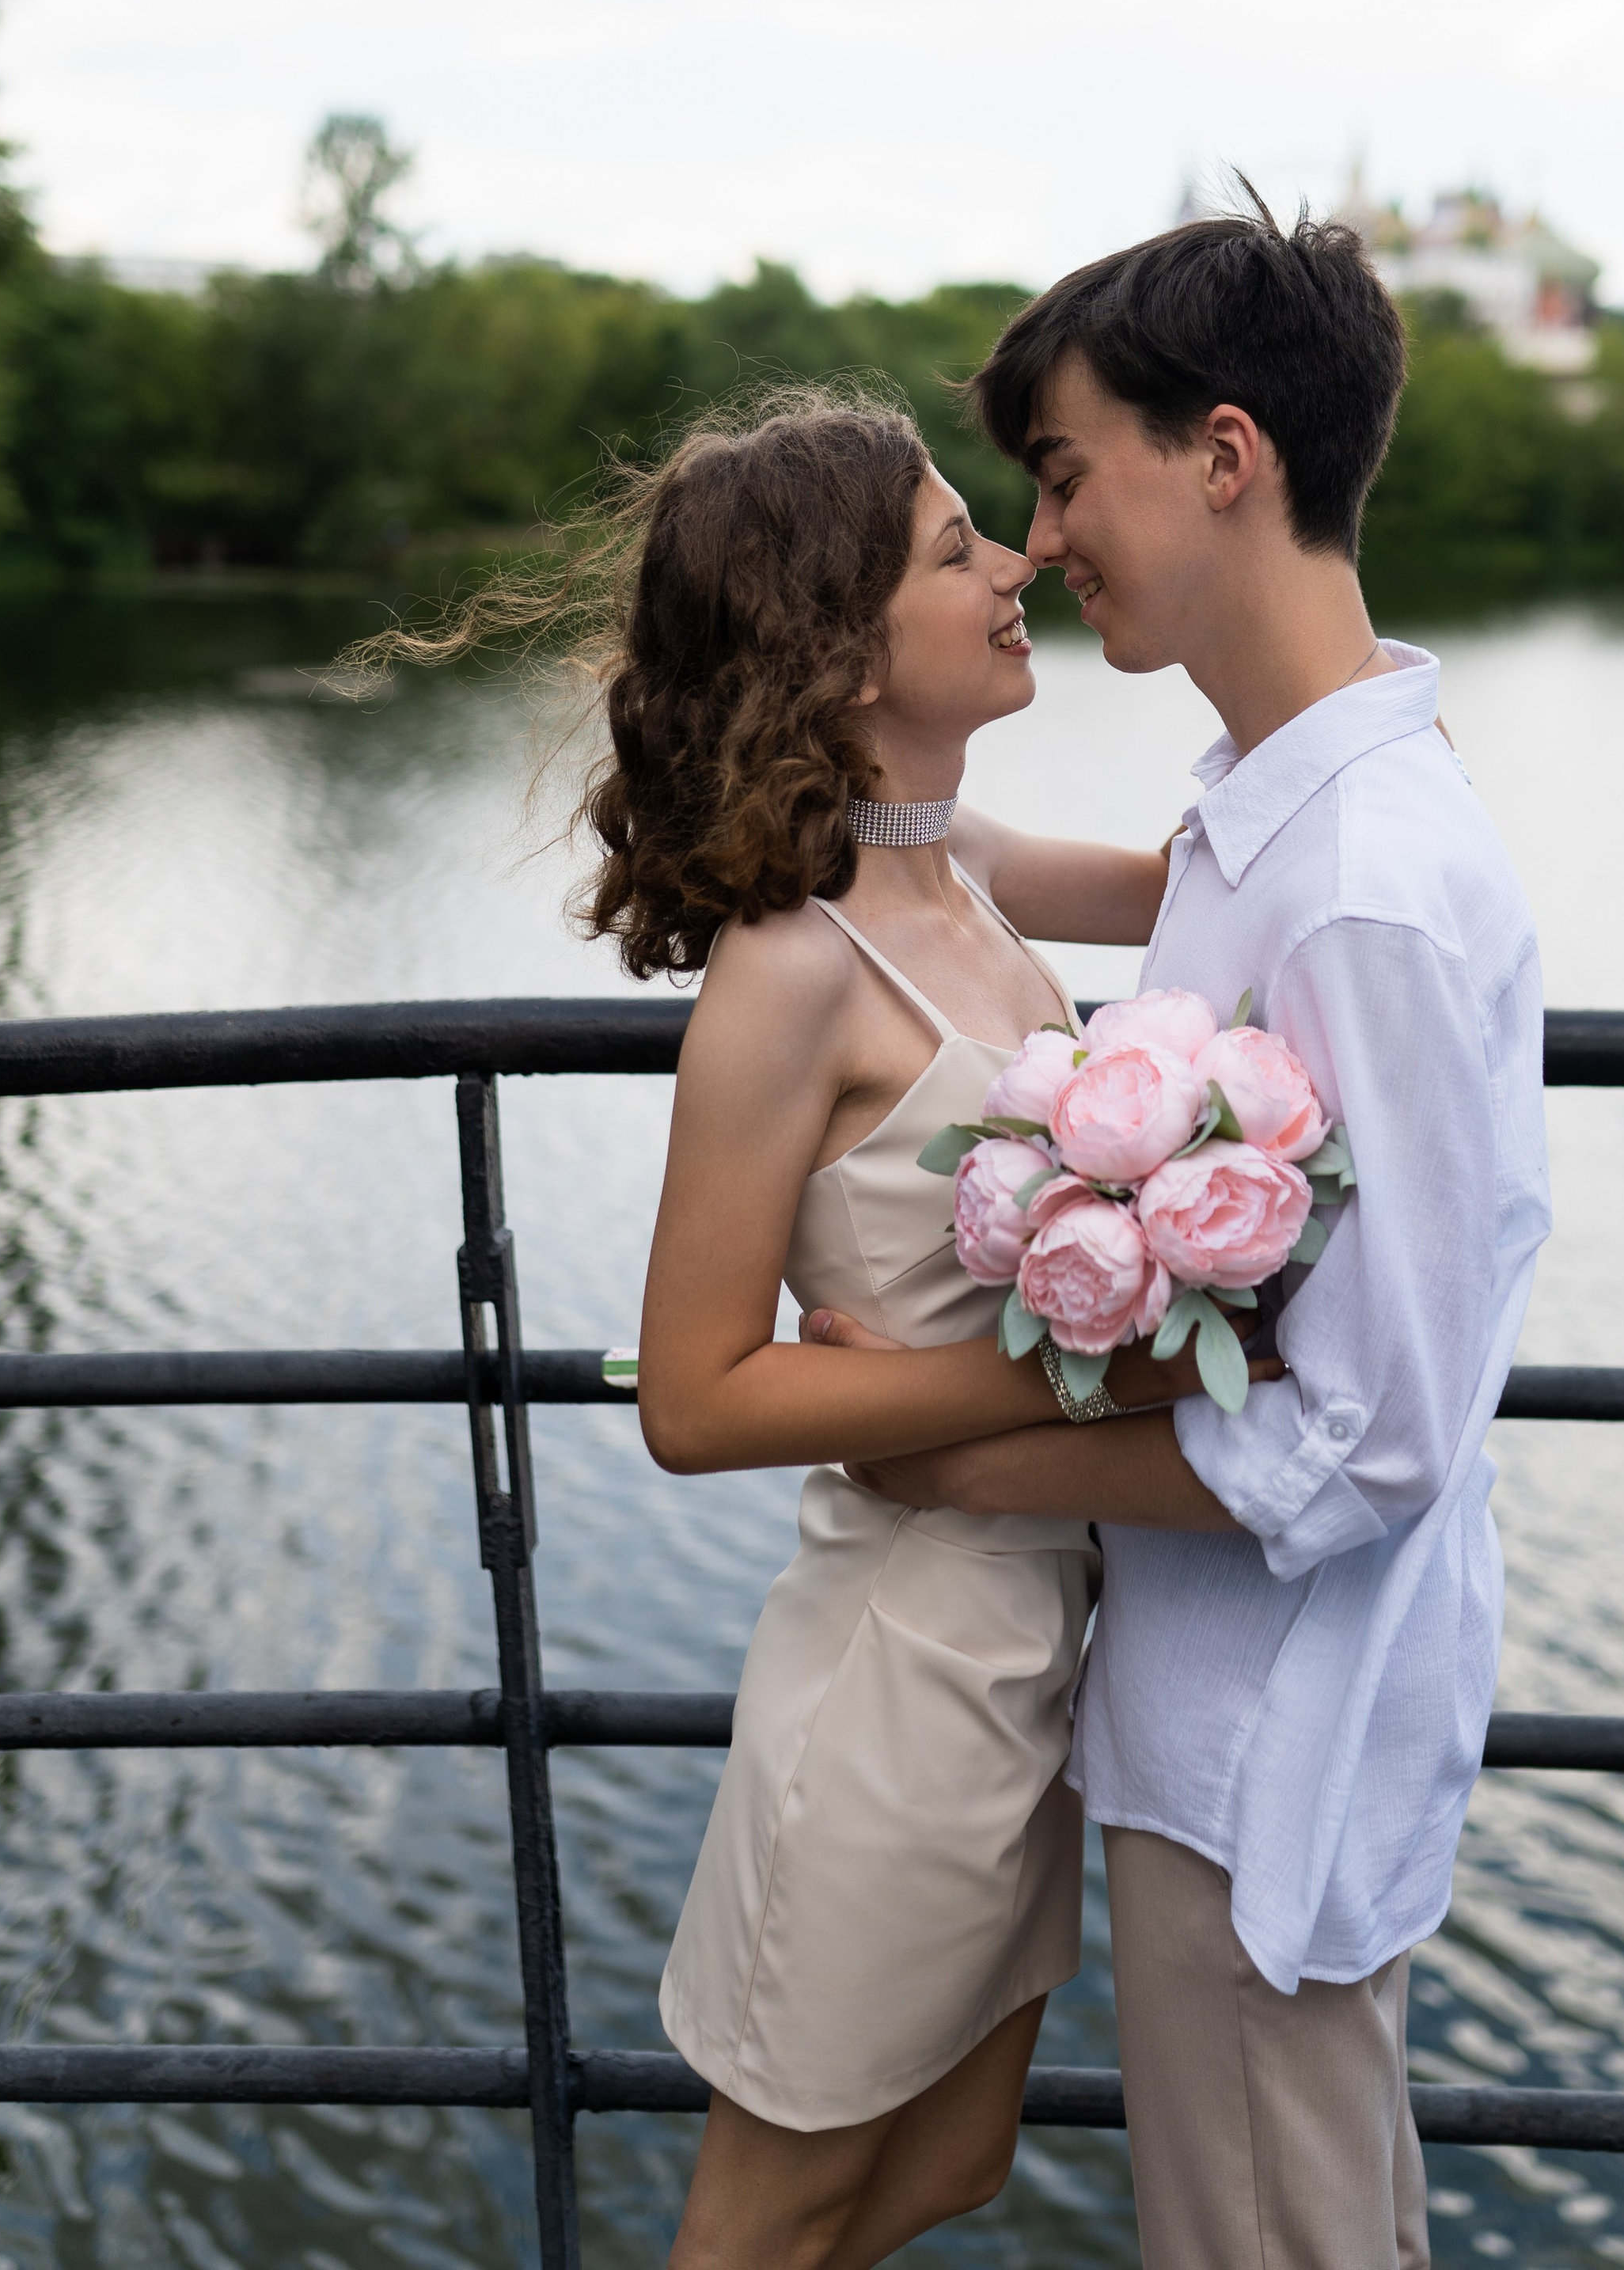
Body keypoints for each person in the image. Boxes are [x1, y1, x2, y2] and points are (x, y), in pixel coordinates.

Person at [422, 393, 1261, 2270]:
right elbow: (694, 1398)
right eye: (956, 548)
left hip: (1037, 1650)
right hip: (898, 1675)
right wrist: (1074, 1371)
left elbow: (1222, 892)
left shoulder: (952, 859)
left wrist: (1363, 769)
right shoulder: (794, 969)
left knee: (955, 2160)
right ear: (835, 644)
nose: (1018, 561)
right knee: (767, 2229)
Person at [834, 195, 1553, 2270]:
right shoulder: (1288, 802)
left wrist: (965, 1452)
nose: (1043, 543)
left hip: (1277, 1749)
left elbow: (1374, 1436)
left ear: (1223, 454)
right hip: (1232, 1708)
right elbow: (1099, 872)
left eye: (1064, 478)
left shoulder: (1362, 883)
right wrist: (861, 790)